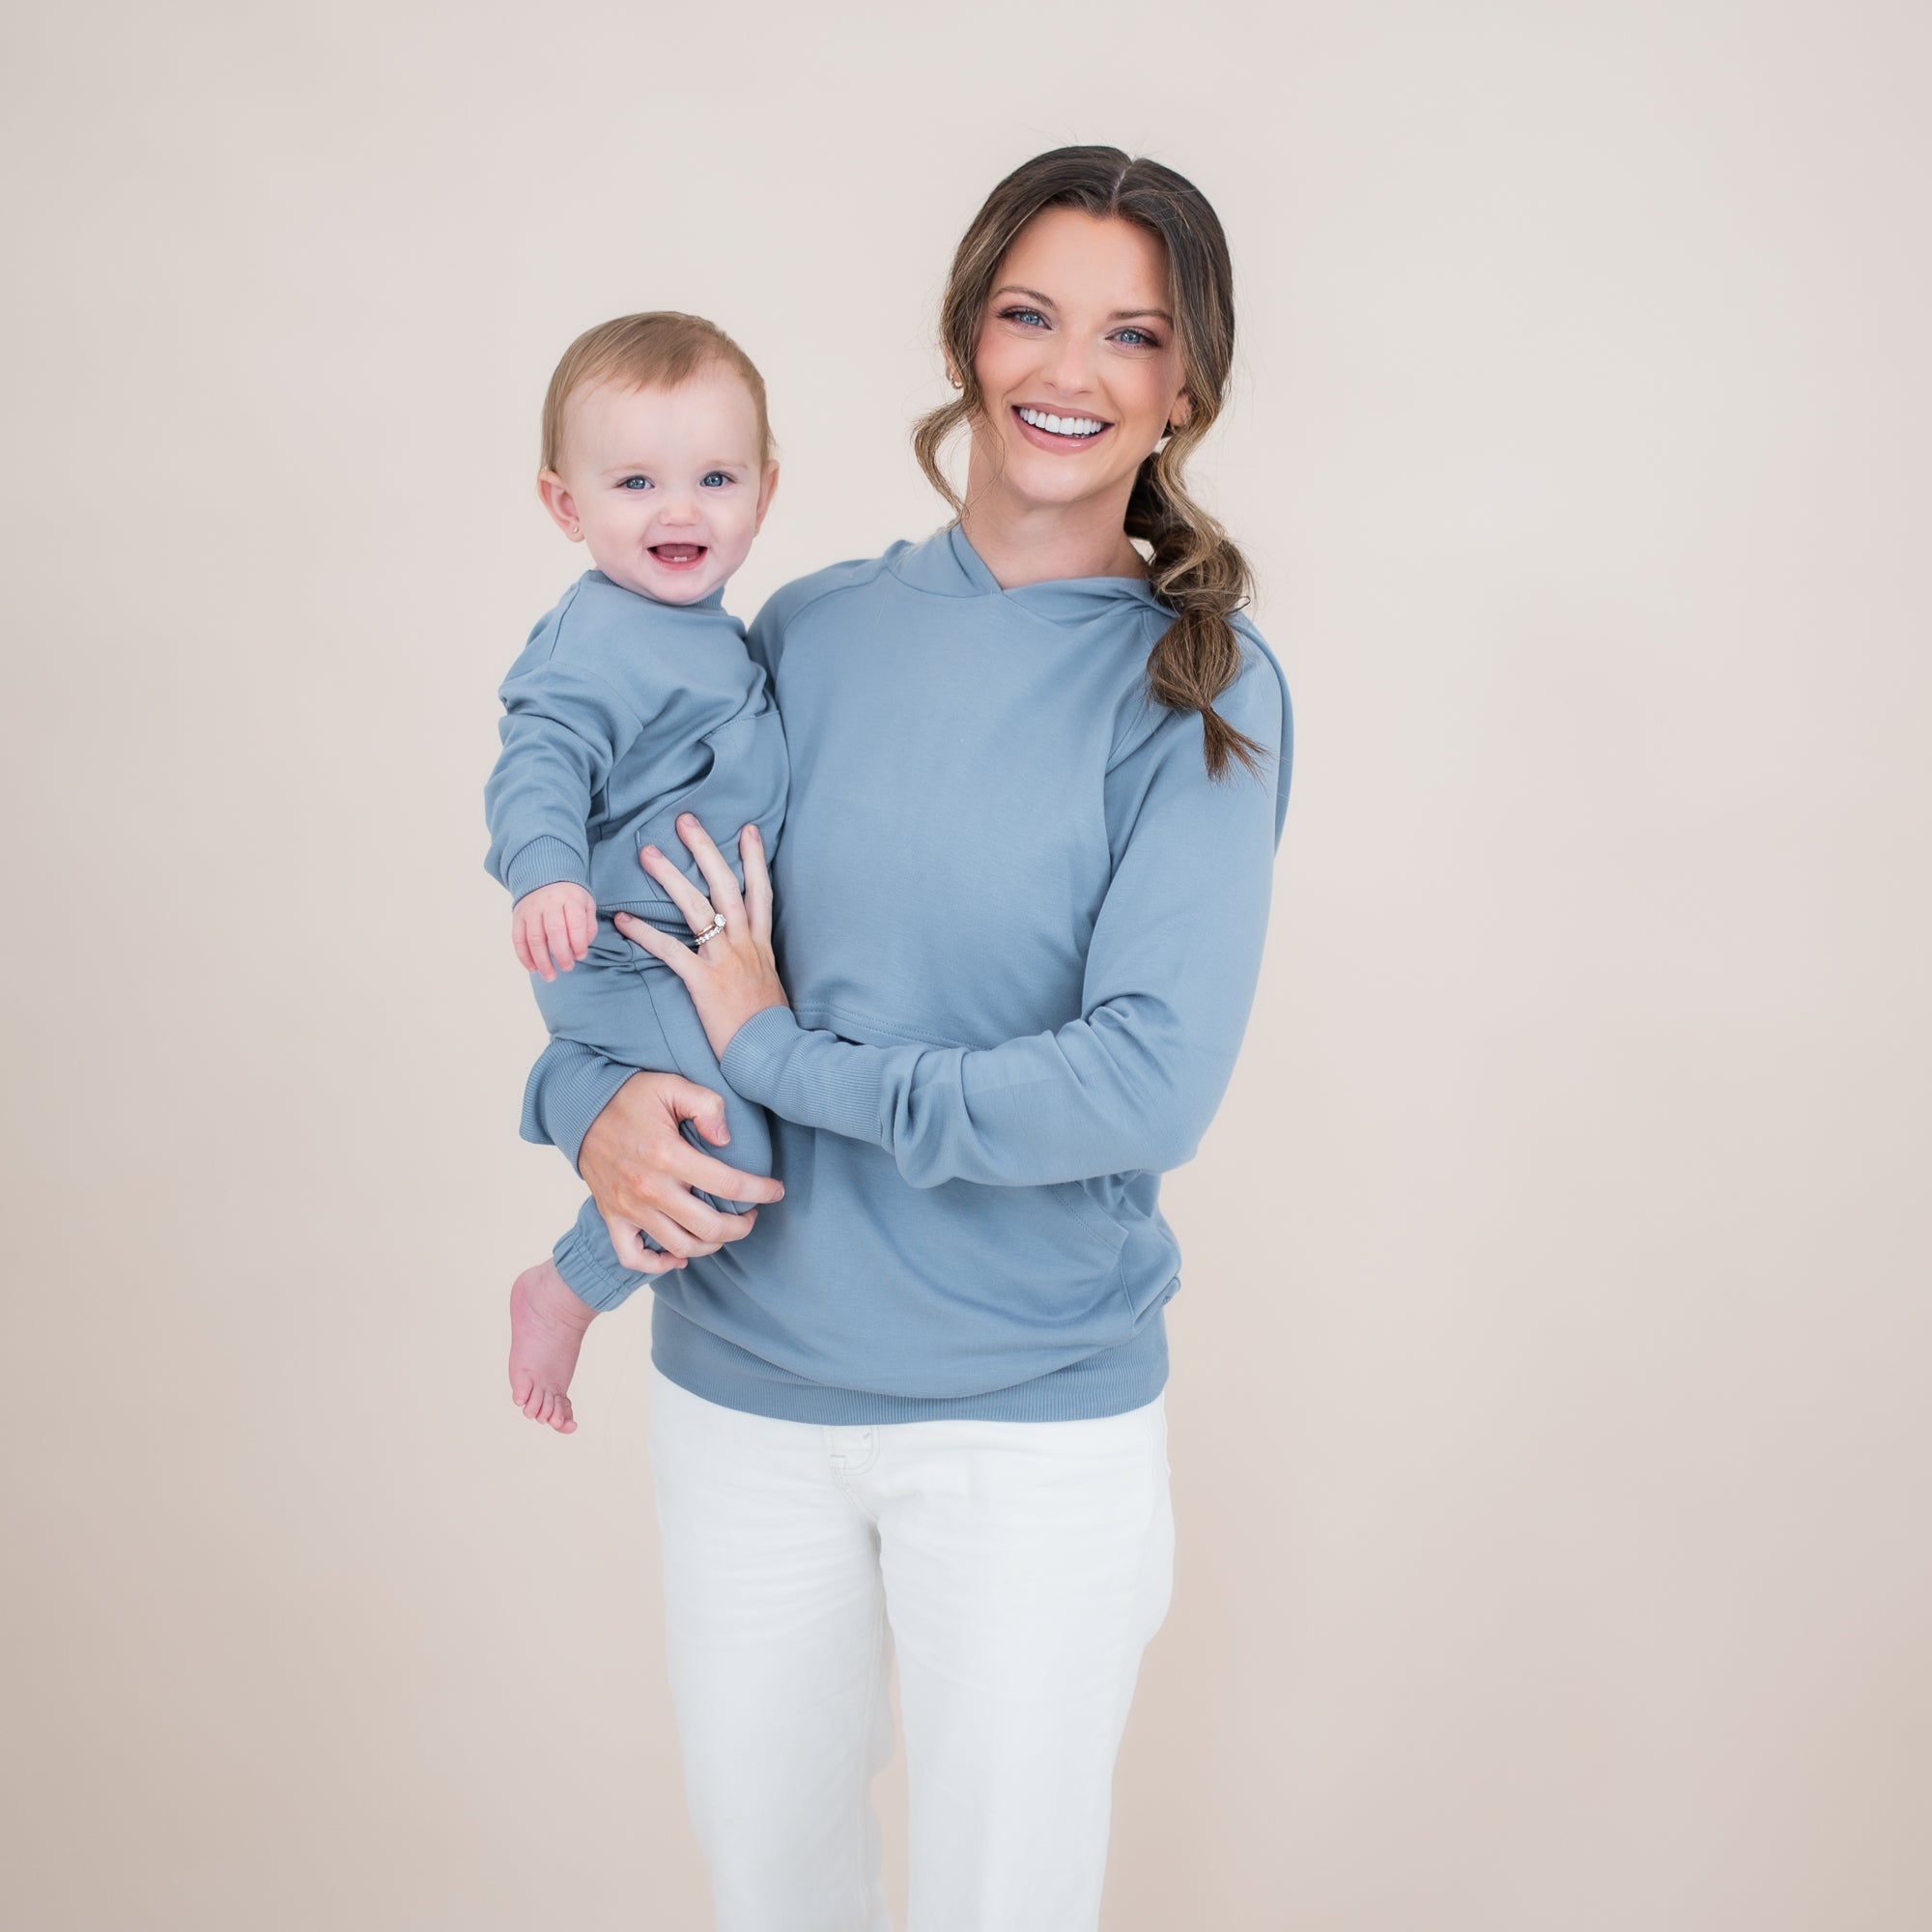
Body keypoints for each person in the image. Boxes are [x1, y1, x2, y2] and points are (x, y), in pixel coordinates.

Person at [517, 147, 1294, 1931]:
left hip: (1027, 1432)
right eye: (1028, 314)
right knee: (772, 1893)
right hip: (743, 1398)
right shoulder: (798, 632)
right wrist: (594, 1110)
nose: (1067, 372)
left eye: (1130, 334)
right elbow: (647, 944)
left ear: (1188, 384)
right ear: (965, 334)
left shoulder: (1202, 686)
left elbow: (1138, 1086)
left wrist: (785, 1063)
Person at [483, 312, 788, 1432]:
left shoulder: (717, 628)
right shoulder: (596, 637)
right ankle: (565, 1286)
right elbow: (540, 760)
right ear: (566, 504)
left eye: (715, 475)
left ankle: (578, 1275)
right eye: (634, 481)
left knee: (732, 1126)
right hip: (622, 953)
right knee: (723, 1150)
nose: (679, 509)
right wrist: (547, 872)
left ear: (764, 490)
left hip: (678, 958)